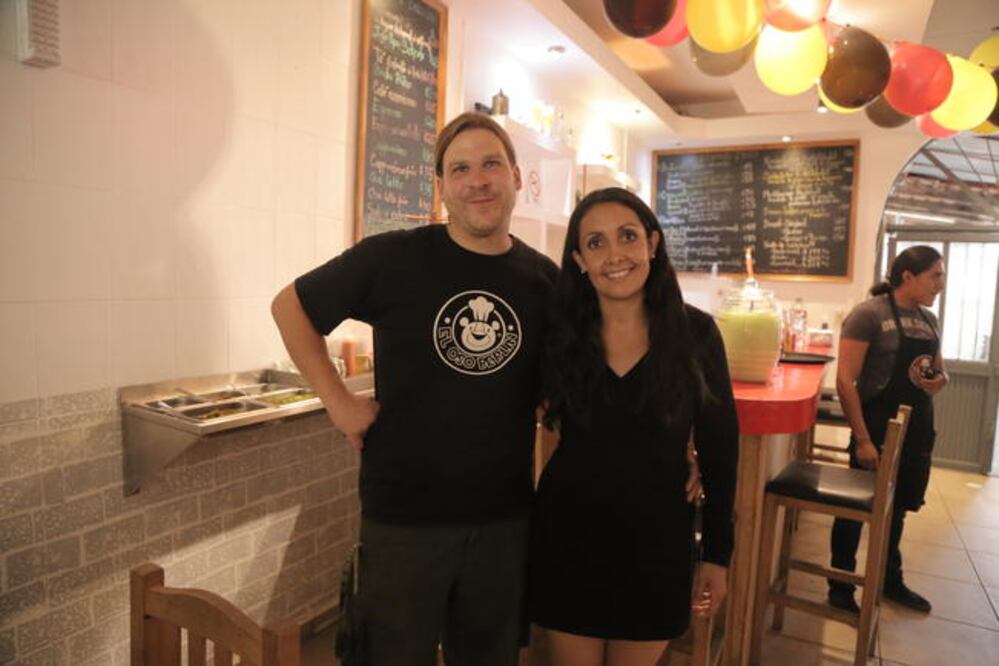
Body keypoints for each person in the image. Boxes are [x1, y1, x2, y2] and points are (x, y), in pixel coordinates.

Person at [271, 112, 559, 666]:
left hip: (502, 521)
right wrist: (337, 402)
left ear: (517, 177)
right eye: (461, 169)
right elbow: (291, 307)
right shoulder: (393, 257)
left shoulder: (545, 281)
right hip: (403, 519)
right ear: (441, 187)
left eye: (491, 164)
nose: (478, 180)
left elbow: (566, 379)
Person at [529, 187, 739, 666]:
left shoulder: (697, 334)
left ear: (653, 243)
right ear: (579, 260)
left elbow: (721, 449)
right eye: (596, 243)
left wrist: (717, 555)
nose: (614, 255)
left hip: (657, 541)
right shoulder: (558, 336)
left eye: (627, 236)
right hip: (568, 534)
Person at [829, 245, 948, 614]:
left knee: (897, 510)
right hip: (877, 426)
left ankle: (889, 580)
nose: (941, 284)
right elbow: (845, 380)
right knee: (854, 509)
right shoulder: (868, 315)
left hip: (917, 427)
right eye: (935, 275)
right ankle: (840, 586)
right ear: (908, 276)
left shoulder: (930, 319)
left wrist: (941, 380)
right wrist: (863, 439)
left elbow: (938, 368)